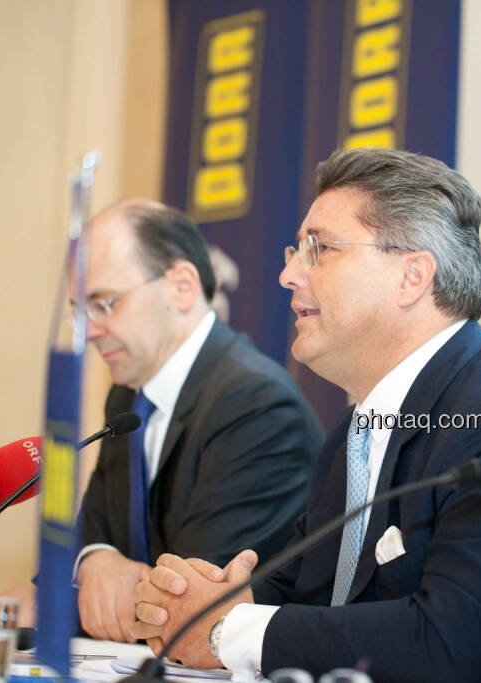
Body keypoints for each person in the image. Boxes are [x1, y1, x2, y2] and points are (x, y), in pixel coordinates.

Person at [130, 149, 481, 681]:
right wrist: (199, 602)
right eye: (295, 250)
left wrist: (228, 631)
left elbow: (453, 643)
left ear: (413, 277)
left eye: (319, 249)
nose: (288, 273)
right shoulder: (361, 427)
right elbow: (307, 587)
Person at [74, 199, 324, 643]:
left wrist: (87, 588)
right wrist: (94, 560)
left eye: (105, 303)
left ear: (183, 287)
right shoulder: (127, 398)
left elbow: (186, 607)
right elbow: (94, 532)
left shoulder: (257, 406)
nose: (89, 330)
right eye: (80, 310)